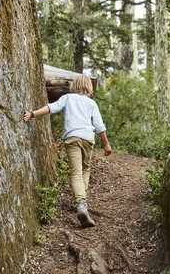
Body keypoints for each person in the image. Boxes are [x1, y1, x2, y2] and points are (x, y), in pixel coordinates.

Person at [23, 75, 112, 227]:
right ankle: (82, 202)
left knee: (76, 172)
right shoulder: (91, 103)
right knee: (85, 170)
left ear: (75, 85)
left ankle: (81, 203)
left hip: (72, 138)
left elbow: (51, 108)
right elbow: (99, 126)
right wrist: (106, 145)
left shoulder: (68, 98)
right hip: (88, 139)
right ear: (89, 88)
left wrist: (32, 114)